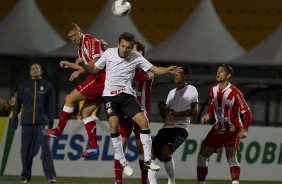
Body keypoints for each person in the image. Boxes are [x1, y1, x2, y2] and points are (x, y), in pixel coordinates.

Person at [79, 32, 177, 177]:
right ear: (118, 44)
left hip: (126, 95)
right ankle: (124, 163)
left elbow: (155, 69)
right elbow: (94, 70)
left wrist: (167, 69)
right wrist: (84, 65)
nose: (125, 49)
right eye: (123, 46)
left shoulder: (136, 57)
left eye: (129, 47)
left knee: (144, 121)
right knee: (113, 125)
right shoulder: (109, 53)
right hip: (110, 96)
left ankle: (148, 160)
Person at [43, 23, 105, 158]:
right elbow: (85, 66)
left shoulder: (90, 41)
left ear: (80, 31)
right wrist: (70, 64)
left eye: (75, 35)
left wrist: (78, 72)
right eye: (70, 37)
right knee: (85, 112)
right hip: (99, 79)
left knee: (69, 98)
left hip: (101, 78)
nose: (73, 38)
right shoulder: (81, 47)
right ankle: (94, 146)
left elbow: (94, 64)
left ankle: (58, 131)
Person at [197, 64, 252, 184]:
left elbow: (247, 112)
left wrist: (245, 129)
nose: (218, 73)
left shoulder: (235, 92)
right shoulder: (213, 90)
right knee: (202, 156)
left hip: (233, 127)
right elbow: (213, 103)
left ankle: (235, 182)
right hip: (218, 126)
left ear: (228, 75)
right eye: (217, 71)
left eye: (221, 71)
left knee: (231, 155)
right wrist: (208, 113)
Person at [148, 64, 199, 184]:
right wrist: (162, 109)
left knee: (165, 151)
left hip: (180, 128)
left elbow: (195, 111)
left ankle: (171, 181)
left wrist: (177, 113)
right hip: (166, 127)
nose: (175, 76)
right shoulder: (171, 92)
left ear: (186, 76)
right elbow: (165, 117)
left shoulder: (191, 89)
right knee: (150, 155)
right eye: (175, 74)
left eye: (178, 74)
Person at [114, 40, 153, 184]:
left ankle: (144, 181)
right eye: (132, 51)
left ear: (141, 54)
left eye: (136, 51)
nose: (133, 54)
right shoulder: (126, 66)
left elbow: (141, 77)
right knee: (121, 145)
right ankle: (118, 181)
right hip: (125, 111)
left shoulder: (148, 69)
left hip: (141, 113)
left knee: (142, 149)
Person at [11, 63, 56, 183]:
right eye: (32, 69)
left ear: (41, 71)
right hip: (26, 124)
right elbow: (17, 106)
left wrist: (50, 123)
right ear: (30, 72)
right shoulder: (23, 86)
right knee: (25, 151)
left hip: (42, 123)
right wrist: (14, 121)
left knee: (46, 149)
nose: (34, 70)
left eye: (37, 68)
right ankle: (25, 176)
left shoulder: (47, 86)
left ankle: (51, 176)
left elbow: (51, 106)